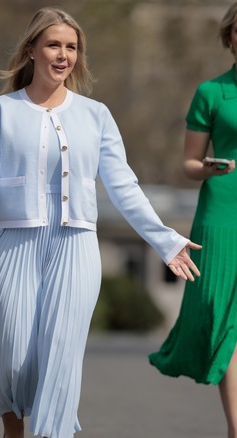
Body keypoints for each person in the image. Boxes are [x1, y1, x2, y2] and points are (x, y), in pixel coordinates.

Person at [0, 8, 201, 438]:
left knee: (61, 357)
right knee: (13, 356)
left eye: (71, 47)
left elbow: (124, 187)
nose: (63, 55)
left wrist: (166, 241)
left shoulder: (96, 115)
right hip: (12, 246)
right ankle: (14, 432)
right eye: (54, 45)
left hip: (76, 247)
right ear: (32, 50)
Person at [148, 3, 237, 435]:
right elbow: (188, 162)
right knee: (225, 320)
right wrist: (209, 167)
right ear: (229, 36)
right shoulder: (212, 92)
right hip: (222, 211)